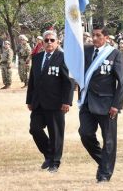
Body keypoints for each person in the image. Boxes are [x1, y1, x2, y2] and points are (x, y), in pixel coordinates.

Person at [78, 26, 123, 183]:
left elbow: (121, 82)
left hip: (107, 104)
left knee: (109, 140)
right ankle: (104, 162)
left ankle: (104, 174)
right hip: (87, 102)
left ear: (106, 37)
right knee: (85, 134)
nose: (95, 38)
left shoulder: (115, 54)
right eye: (93, 35)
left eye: (98, 35)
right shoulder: (86, 51)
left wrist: (116, 105)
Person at [26, 31, 73, 173]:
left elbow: (69, 82)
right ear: (42, 43)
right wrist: (29, 100)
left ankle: (55, 162)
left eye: (52, 40)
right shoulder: (37, 57)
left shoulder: (63, 58)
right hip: (38, 102)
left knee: (56, 134)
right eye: (46, 40)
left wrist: (67, 101)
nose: (49, 42)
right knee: (35, 129)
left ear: (57, 42)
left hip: (56, 102)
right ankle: (48, 154)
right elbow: (32, 80)